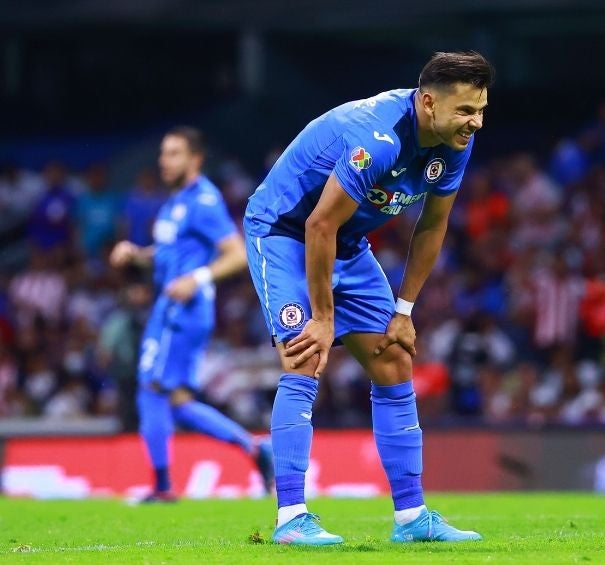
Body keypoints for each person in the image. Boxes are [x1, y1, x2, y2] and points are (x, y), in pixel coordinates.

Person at [244, 51, 493, 545]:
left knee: (394, 358)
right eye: (466, 110)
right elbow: (318, 223)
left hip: (346, 241)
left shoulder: (453, 144)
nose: (476, 123)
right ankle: (290, 517)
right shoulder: (376, 138)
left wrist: (404, 312)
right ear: (428, 102)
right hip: (285, 230)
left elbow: (432, 225)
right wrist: (321, 317)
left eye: (481, 109)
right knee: (305, 355)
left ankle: (412, 518)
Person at [110, 126, 273, 502]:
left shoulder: (203, 200)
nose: (164, 161)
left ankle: (163, 487)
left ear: (195, 159)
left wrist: (196, 278)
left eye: (174, 153)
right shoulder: (175, 202)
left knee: (151, 387)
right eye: (163, 153)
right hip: (177, 307)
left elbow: (235, 252)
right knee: (178, 402)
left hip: (181, 308)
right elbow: (169, 251)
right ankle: (254, 448)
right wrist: (138, 254)